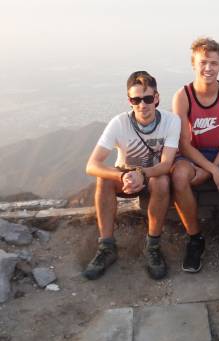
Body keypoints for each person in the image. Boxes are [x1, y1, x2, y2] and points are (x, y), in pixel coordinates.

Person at [83, 71, 180, 280]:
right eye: (136, 99)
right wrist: (121, 177)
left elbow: (166, 164)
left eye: (147, 99)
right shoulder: (119, 123)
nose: (142, 105)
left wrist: (141, 174)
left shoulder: (171, 121)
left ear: (156, 98)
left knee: (162, 181)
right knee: (103, 179)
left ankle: (152, 246)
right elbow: (92, 165)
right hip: (124, 178)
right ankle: (106, 246)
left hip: (152, 176)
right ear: (129, 101)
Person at [171, 37, 219, 273]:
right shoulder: (183, 97)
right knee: (180, 177)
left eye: (214, 63)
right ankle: (195, 239)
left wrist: (215, 167)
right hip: (193, 154)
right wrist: (211, 170)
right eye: (203, 62)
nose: (208, 68)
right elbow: (184, 145)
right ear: (193, 64)